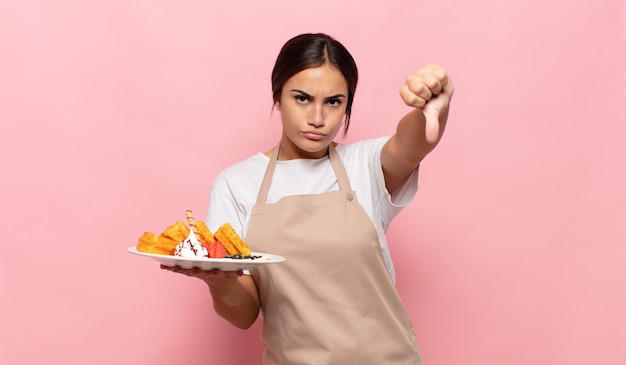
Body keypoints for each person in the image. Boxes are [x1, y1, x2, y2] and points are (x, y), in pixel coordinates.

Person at [162, 32, 454, 364]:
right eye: (302, 98)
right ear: (277, 98)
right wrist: (219, 281)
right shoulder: (236, 184)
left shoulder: (366, 164)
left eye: (334, 102)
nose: (318, 117)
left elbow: (412, 141)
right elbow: (243, 315)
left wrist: (434, 106)